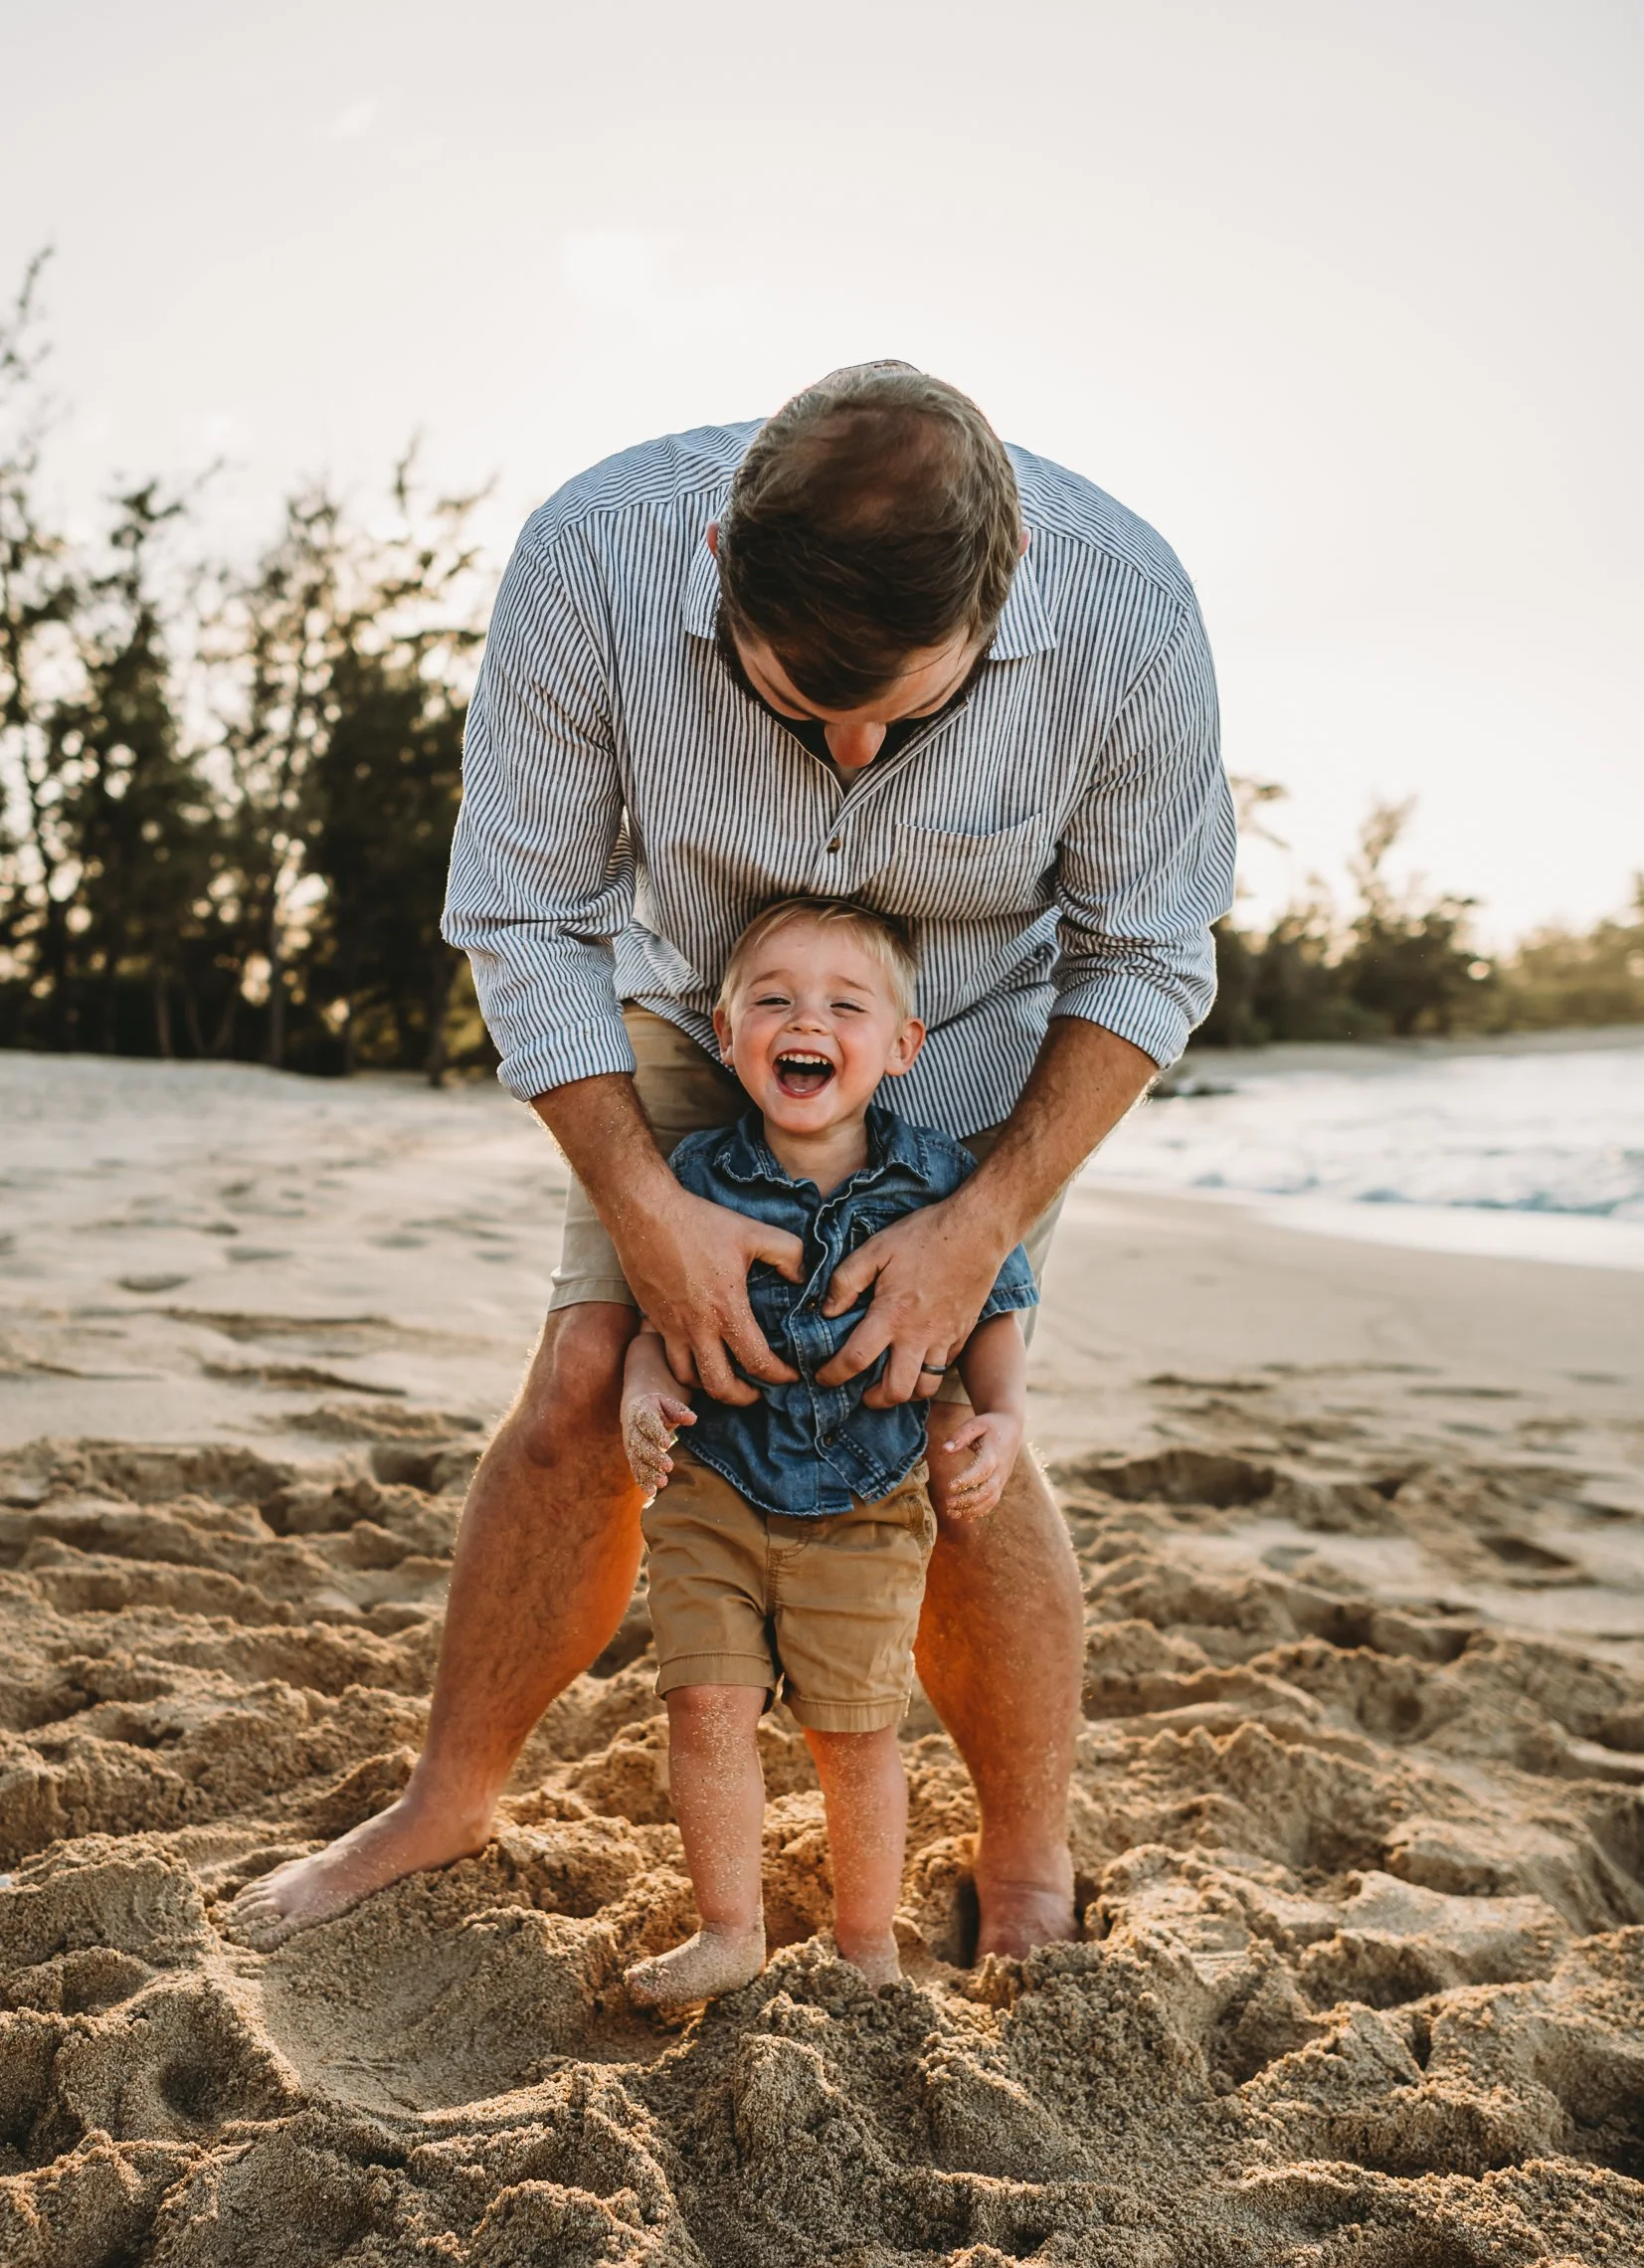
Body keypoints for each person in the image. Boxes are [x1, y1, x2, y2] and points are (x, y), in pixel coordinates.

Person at [226, 360, 1234, 1966]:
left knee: (949, 1415)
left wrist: (981, 1218)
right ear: (715, 564)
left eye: (904, 708)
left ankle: (1028, 1872)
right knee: (583, 1370)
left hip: (966, 1023)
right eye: (790, 699)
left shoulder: (1128, 612)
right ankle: (449, 1793)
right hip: (703, 997)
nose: (843, 747)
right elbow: (523, 919)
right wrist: (647, 1209)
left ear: (1010, 583)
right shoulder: (595, 558)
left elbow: (1147, 955)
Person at [621, 894, 1035, 2009]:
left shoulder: (939, 1182)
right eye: (773, 999)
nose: (806, 1019)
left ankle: (864, 1946)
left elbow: (993, 1305)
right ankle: (727, 1926)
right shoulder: (693, 1178)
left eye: (844, 1004)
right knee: (704, 1707)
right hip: (711, 1486)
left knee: (852, 1735)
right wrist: (641, 1393)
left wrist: (999, 1416)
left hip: (868, 1501)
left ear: (901, 1047)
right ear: (723, 1030)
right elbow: (651, 1323)